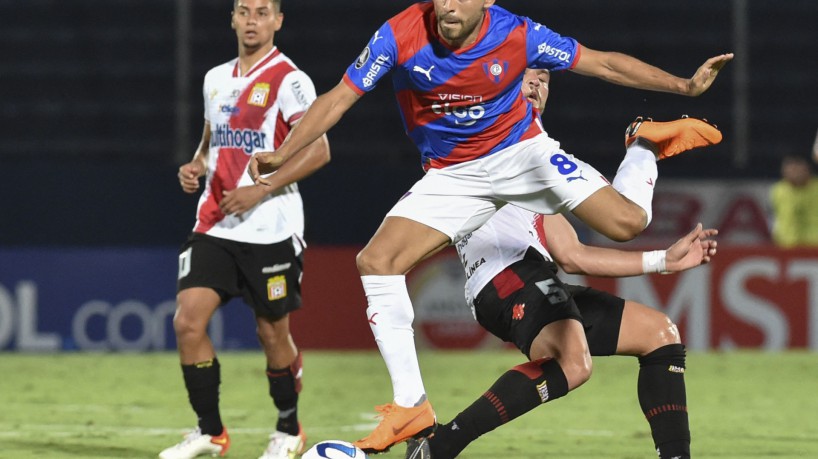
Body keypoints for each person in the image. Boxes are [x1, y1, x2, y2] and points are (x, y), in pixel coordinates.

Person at [249, 0, 730, 453]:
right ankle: (411, 407)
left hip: (521, 153)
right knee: (376, 261)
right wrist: (282, 153)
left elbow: (602, 63)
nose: (448, 6)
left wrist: (684, 87)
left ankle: (642, 143)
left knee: (629, 221)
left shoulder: (517, 33)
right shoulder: (400, 33)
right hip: (455, 172)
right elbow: (338, 98)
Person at [404, 68, 714, 459]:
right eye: (524, 76)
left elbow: (574, 256)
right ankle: (442, 447)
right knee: (575, 362)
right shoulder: (480, 141)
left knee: (659, 334)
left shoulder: (533, 168)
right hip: (503, 278)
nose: (536, 83)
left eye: (544, 78)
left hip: (535, 278)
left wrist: (662, 261)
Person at [159, 1, 330, 458]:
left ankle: (289, 429)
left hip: (270, 228)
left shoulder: (290, 80)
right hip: (214, 221)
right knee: (187, 321)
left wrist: (261, 189)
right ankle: (210, 432)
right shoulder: (215, 78)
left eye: (261, 12)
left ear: (278, 20)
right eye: (243, 11)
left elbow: (319, 151)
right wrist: (197, 163)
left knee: (272, 334)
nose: (251, 20)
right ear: (232, 19)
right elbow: (213, 135)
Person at [769, 155, 818, 247]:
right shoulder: (778, 190)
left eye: (797, 170)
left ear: (807, 170)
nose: (794, 173)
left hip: (814, 246)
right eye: (790, 170)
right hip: (787, 245)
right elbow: (776, 217)